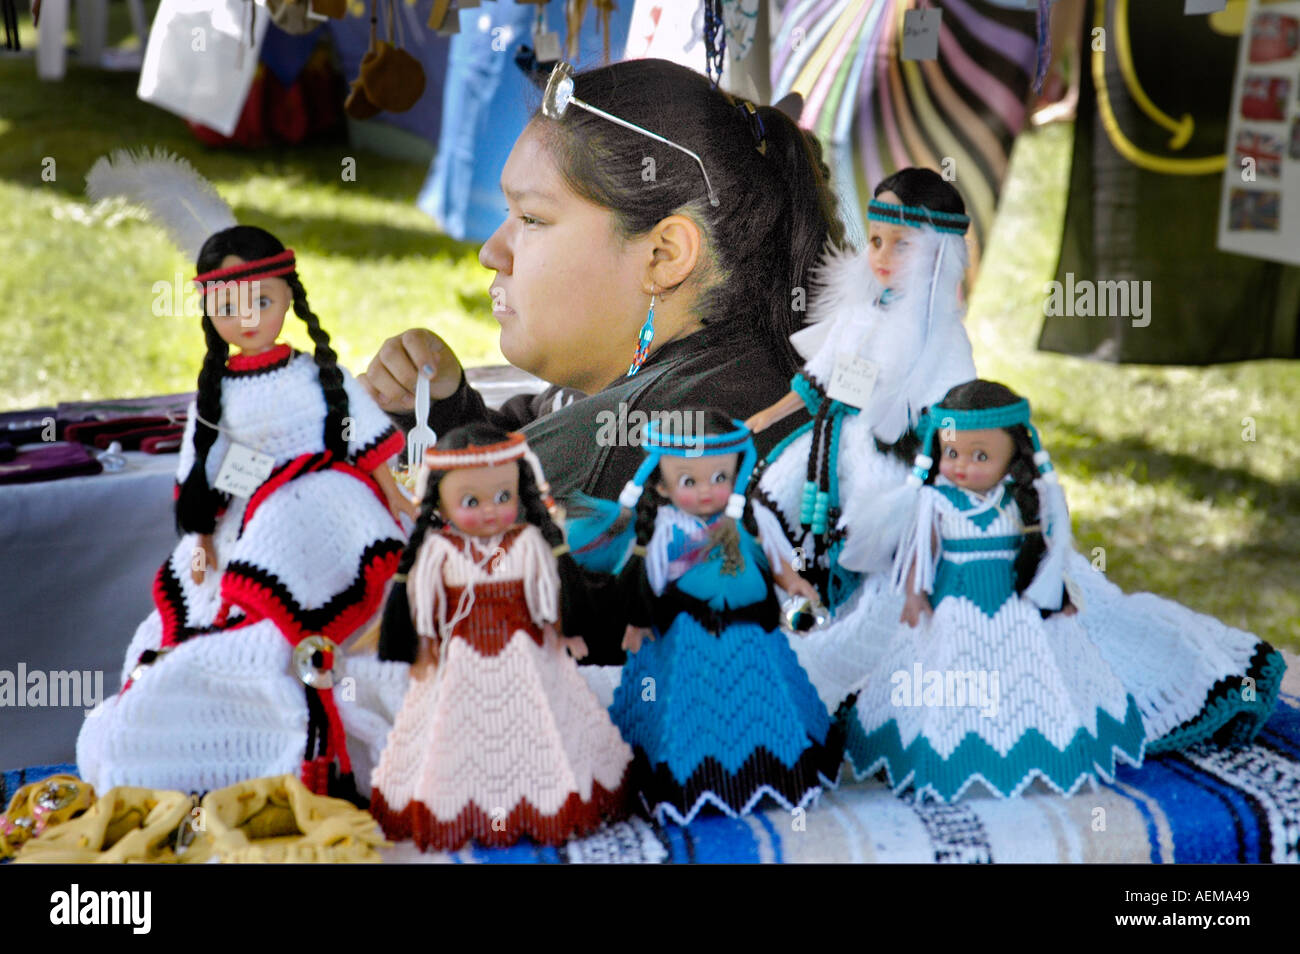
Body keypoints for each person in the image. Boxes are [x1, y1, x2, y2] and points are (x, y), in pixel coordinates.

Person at [360, 57, 846, 505]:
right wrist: (442, 413)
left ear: (664, 256)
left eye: (531, 219)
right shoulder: (729, 366)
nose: (492, 253)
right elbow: (534, 429)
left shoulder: (618, 454)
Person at [78, 222, 412, 801]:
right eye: (230, 306)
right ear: (209, 311)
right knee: (206, 606)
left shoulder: (317, 376)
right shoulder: (217, 397)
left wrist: (399, 496)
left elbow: (370, 441)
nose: (250, 317)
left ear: (289, 297)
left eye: (263, 300)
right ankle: (230, 713)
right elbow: (198, 477)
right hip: (243, 523)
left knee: (338, 585)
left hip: (332, 511)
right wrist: (202, 538)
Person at [844, 380, 1286, 802]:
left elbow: (1047, 555)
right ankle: (951, 756)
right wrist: (915, 594)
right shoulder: (935, 502)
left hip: (1013, 610)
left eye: (980, 456)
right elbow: (922, 553)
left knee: (1024, 683)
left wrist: (1059, 593)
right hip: (953, 612)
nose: (961, 465)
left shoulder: (1022, 503)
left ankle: (1022, 749)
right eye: (952, 452)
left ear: (1013, 455)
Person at [567, 410, 841, 824]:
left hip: (750, 636)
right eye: (689, 482)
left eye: (720, 478)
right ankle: (693, 776)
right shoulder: (660, 530)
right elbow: (647, 584)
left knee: (759, 703)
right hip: (682, 639)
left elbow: (777, 560)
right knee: (682, 710)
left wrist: (793, 583)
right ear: (661, 484)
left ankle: (762, 768)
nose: (707, 492)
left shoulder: (749, 518)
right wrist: (639, 624)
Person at [369, 424, 631, 850]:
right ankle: (466, 804)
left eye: (503, 497)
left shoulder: (527, 542)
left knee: (542, 726)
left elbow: (544, 594)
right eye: (472, 501)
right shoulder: (438, 551)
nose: (491, 510)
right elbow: (428, 606)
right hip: (459, 660)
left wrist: (562, 631)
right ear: (441, 501)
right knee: (452, 736)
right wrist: (425, 646)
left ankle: (540, 798)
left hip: (528, 653)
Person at [745, 167, 976, 612]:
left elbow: (954, 404)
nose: (883, 256)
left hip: (895, 449)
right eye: (875, 241)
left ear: (937, 254)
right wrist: (771, 414)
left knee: (868, 527)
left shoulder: (941, 334)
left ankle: (868, 608)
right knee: (772, 493)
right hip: (829, 439)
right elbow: (823, 373)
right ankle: (798, 591)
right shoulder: (858, 314)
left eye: (902, 244)